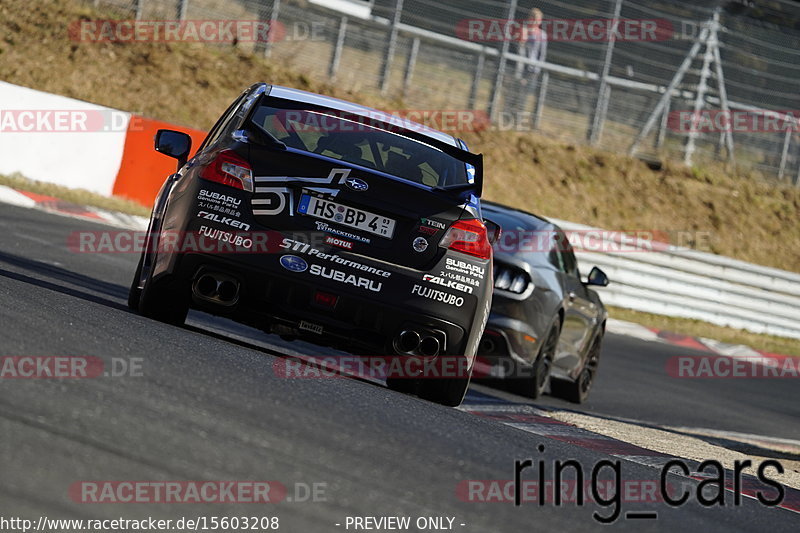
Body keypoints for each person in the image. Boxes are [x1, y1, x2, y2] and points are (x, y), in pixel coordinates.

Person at [506, 8, 548, 118]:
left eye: (538, 19)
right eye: (533, 18)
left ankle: (518, 118)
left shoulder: (542, 35)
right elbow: (514, 47)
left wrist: (537, 69)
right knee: (513, 92)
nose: (535, 21)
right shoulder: (522, 30)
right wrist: (519, 39)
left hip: (532, 70)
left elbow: (541, 54)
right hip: (518, 67)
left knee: (523, 96)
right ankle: (507, 115)